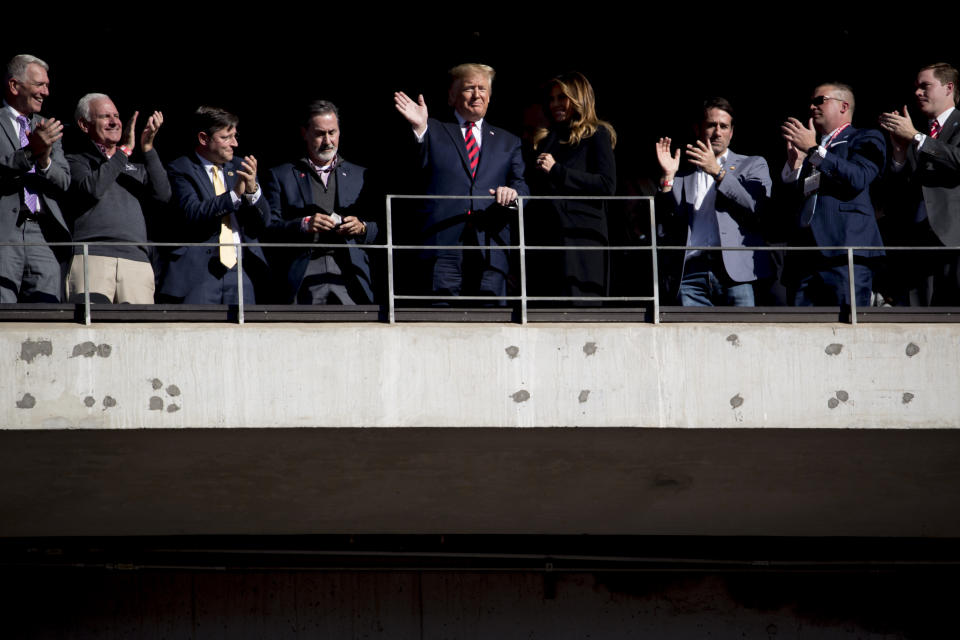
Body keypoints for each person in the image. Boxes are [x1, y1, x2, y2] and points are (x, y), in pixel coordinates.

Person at [394, 63, 528, 303]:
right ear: (452, 96)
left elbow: (522, 188)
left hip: (490, 246)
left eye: (482, 88)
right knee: (441, 318)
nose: (477, 94)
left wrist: (512, 195)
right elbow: (413, 169)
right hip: (443, 245)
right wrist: (420, 129)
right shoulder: (433, 130)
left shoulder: (509, 141)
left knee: (492, 321)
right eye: (469, 88)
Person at [655, 97, 770, 306]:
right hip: (691, 274)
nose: (718, 132)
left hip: (735, 274)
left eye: (724, 126)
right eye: (711, 125)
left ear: (732, 132)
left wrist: (718, 172)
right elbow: (663, 224)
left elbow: (756, 206)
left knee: (742, 337)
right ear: (698, 129)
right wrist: (667, 180)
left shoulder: (753, 164)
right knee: (693, 337)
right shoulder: (682, 173)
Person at [781, 83, 885, 307]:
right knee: (800, 331)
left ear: (843, 106)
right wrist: (795, 165)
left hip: (844, 251)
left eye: (820, 100)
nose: (812, 106)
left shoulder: (865, 137)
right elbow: (792, 203)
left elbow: (858, 177)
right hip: (804, 255)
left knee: (849, 326)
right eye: (811, 101)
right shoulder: (811, 148)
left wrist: (813, 150)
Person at [263, 100, 378, 304]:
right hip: (302, 273)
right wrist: (303, 224)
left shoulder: (361, 175)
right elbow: (268, 229)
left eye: (332, 132)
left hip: (350, 273)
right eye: (319, 134)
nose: (327, 141)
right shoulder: (281, 175)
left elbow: (381, 227)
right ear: (304, 133)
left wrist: (361, 228)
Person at [158, 106, 270, 304]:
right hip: (199, 272)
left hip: (241, 270)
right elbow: (192, 212)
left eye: (234, 136)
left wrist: (253, 192)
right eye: (226, 137)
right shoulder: (181, 168)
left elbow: (263, 223)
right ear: (203, 138)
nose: (234, 143)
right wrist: (235, 195)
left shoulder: (240, 167)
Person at [65, 93, 170, 303]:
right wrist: (125, 151)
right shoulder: (76, 161)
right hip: (92, 258)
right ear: (85, 125)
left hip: (136, 260)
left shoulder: (135, 167)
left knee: (138, 332)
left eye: (116, 115)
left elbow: (163, 195)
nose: (114, 122)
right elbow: (93, 188)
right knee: (90, 333)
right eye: (105, 116)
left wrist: (147, 149)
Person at [526, 71, 616, 303]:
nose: (555, 104)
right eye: (552, 99)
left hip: (582, 240)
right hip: (550, 237)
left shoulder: (597, 134)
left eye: (562, 98)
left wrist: (557, 170)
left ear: (578, 99)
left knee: (580, 309)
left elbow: (607, 185)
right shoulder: (548, 139)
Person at [880, 62, 960, 305]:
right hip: (917, 241)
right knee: (920, 315)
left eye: (925, 86)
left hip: (954, 238)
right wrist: (899, 153)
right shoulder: (917, 132)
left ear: (948, 88)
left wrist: (916, 138)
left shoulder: (922, 134)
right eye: (915, 87)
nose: (917, 93)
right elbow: (898, 189)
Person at [0, 54, 70, 302]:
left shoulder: (46, 127)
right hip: (4, 231)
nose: (46, 92)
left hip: (42, 232)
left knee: (48, 308)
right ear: (14, 85)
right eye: (40, 85)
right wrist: (32, 151)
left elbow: (64, 181)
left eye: (47, 85)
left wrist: (43, 159)